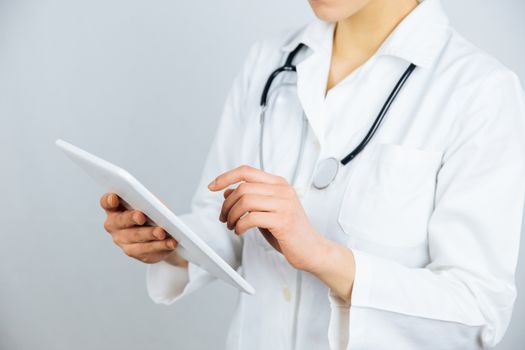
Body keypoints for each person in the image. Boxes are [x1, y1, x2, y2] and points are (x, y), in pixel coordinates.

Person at [99, 0, 525, 349]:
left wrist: (322, 255)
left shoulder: (480, 91)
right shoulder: (269, 61)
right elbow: (223, 221)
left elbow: (478, 309)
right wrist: (169, 240)